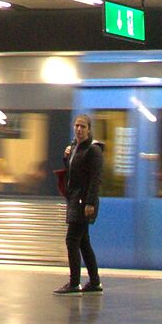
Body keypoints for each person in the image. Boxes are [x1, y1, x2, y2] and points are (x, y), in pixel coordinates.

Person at [55, 116, 103, 294]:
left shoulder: (93, 150)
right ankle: (94, 282)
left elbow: (95, 179)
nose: (79, 129)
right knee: (83, 242)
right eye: (76, 126)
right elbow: (72, 172)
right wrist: (66, 157)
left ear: (89, 129)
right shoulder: (74, 147)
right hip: (75, 199)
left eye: (83, 126)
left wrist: (90, 203)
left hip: (84, 202)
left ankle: (74, 283)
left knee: (72, 240)